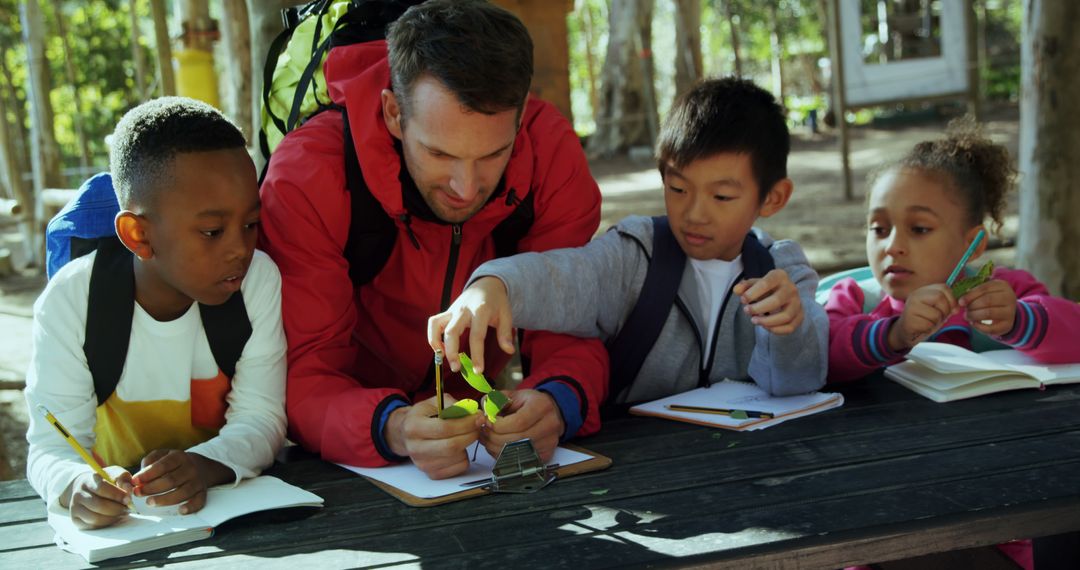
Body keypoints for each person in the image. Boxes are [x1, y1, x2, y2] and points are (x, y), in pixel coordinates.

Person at [259, 0, 608, 479]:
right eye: (439, 153)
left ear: (521, 114)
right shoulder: (308, 175)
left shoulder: (552, 156)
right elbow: (299, 374)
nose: (465, 187)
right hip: (349, 455)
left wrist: (558, 399)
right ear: (393, 113)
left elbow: (576, 321)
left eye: (493, 154)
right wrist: (393, 426)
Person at [428, 77, 828, 406]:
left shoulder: (783, 272)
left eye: (722, 197)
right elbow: (568, 276)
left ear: (773, 198)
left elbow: (800, 381)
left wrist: (789, 329)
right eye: (677, 188)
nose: (694, 213)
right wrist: (495, 285)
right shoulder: (636, 256)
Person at [24, 97, 287, 529]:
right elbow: (50, 449)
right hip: (129, 529)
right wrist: (77, 484)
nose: (240, 249)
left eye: (250, 224)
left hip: (233, 515)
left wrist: (203, 465)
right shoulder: (73, 301)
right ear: (138, 234)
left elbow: (262, 418)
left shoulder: (256, 281)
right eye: (212, 231)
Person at [825, 119, 1080, 384]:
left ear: (973, 244)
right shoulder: (851, 298)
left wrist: (1019, 321)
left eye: (920, 229)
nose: (892, 246)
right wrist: (894, 334)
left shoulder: (1012, 293)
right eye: (879, 229)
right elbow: (820, 361)